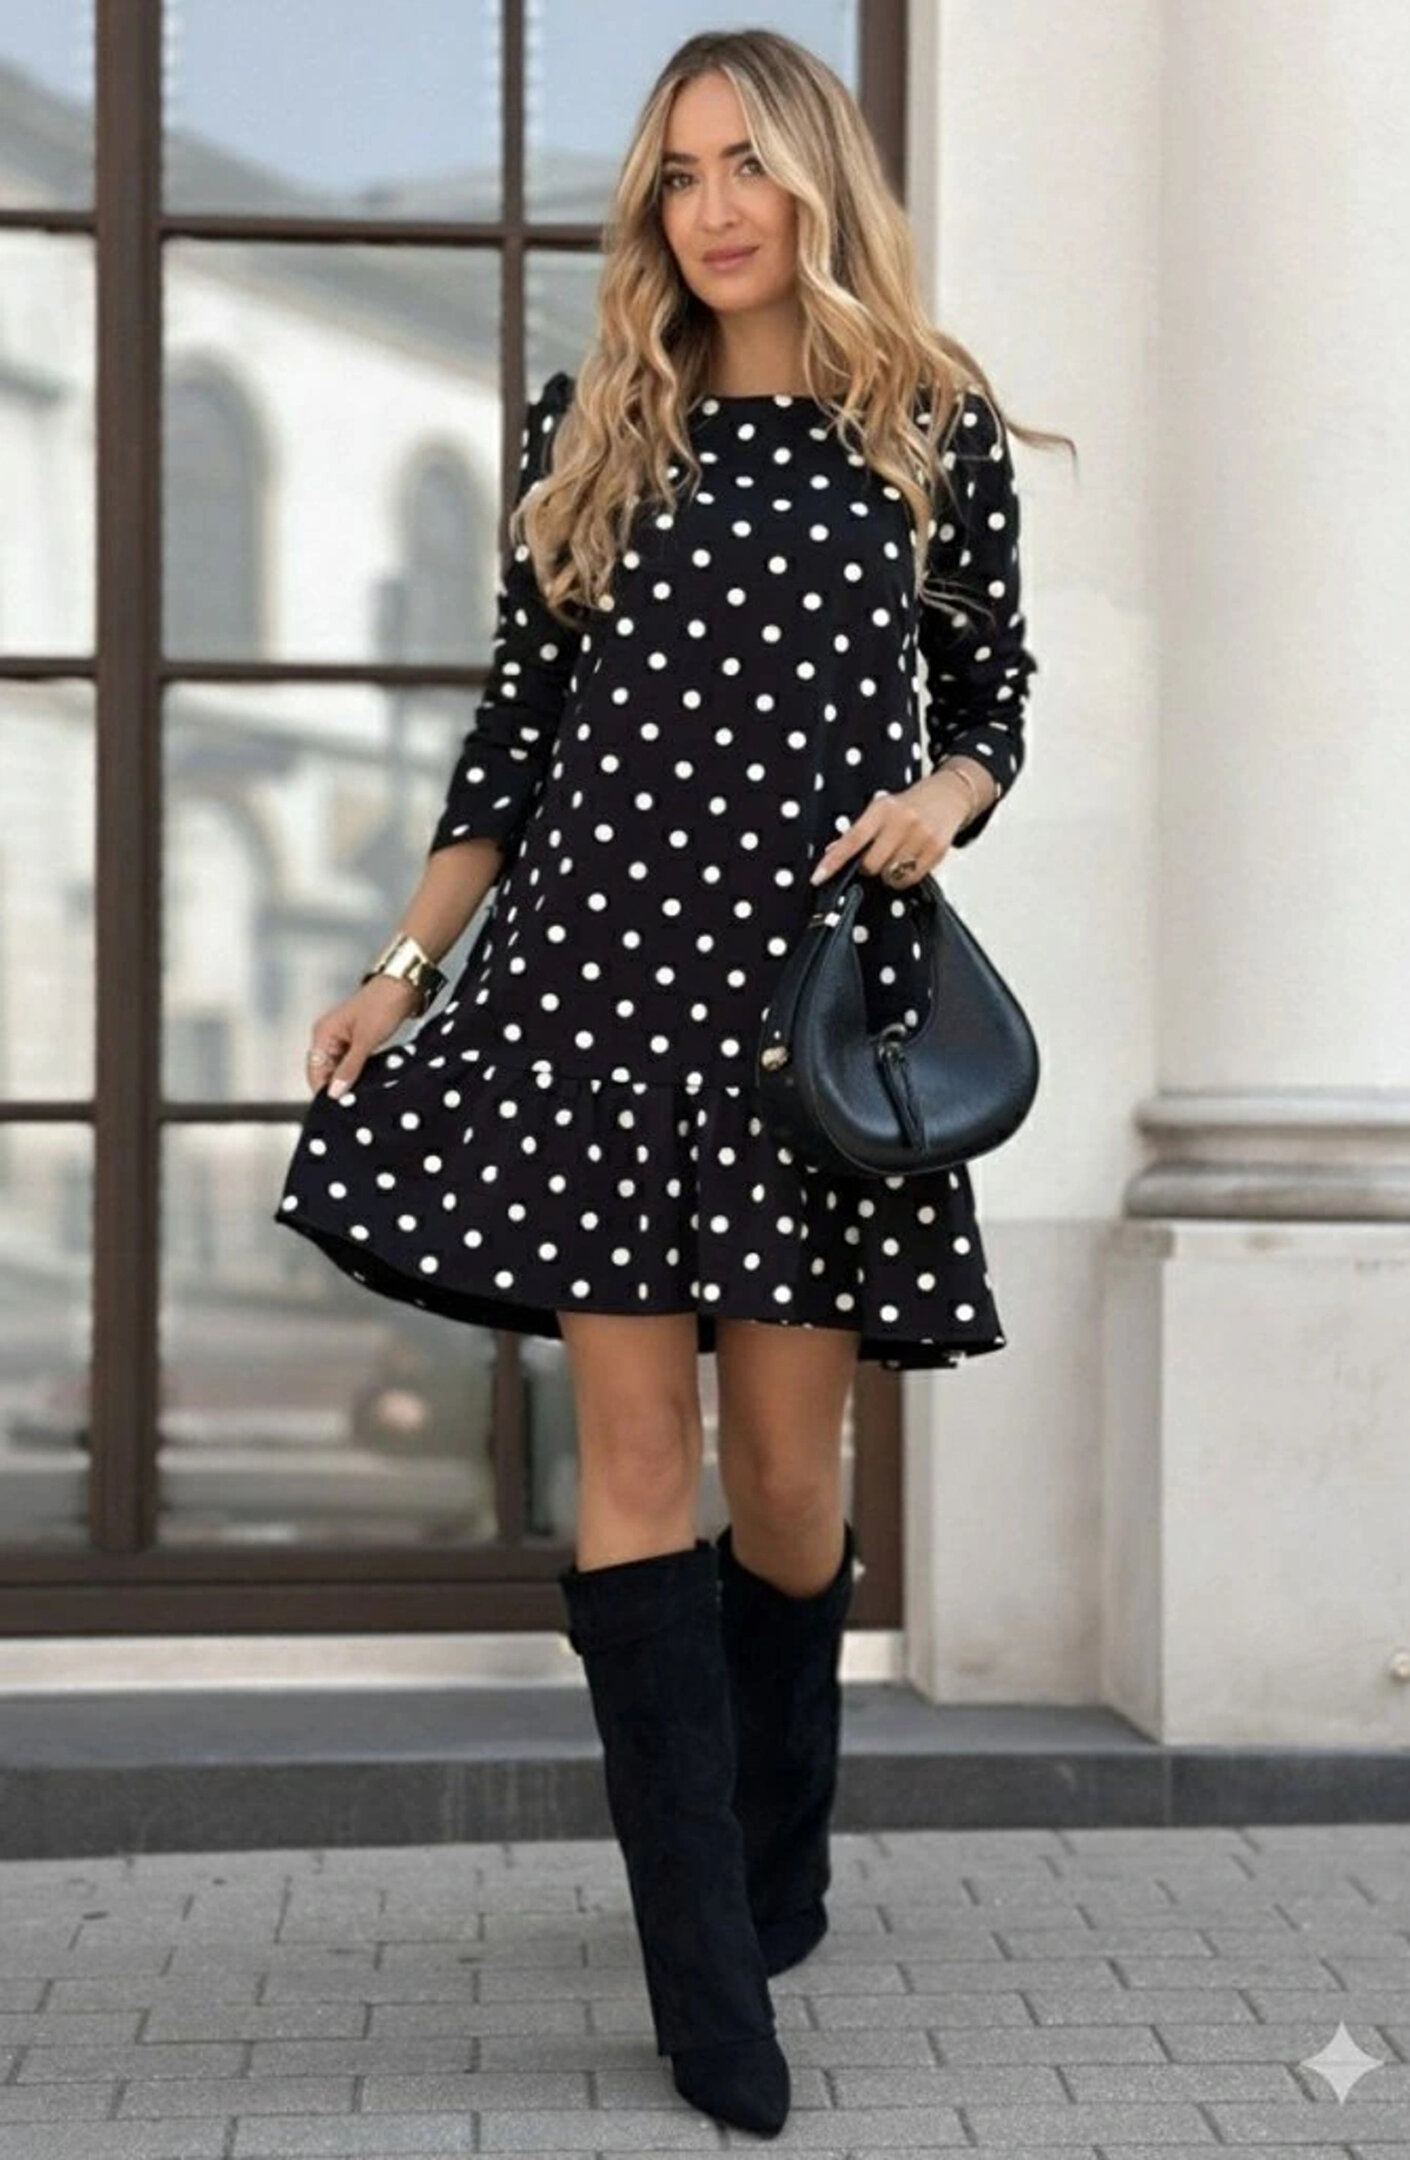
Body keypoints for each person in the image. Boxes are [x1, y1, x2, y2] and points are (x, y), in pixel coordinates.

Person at [274, 26, 1066, 2138]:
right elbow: (513, 735)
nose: (710, 209)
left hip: (803, 1007)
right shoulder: (596, 421)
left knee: (790, 1491)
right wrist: (403, 967)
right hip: (596, 997)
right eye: (677, 175)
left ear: (816, 184)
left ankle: (774, 1857)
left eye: (744, 167)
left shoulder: (929, 420)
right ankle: (707, 1980)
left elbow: (993, 694)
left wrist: (942, 801)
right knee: (632, 1454)